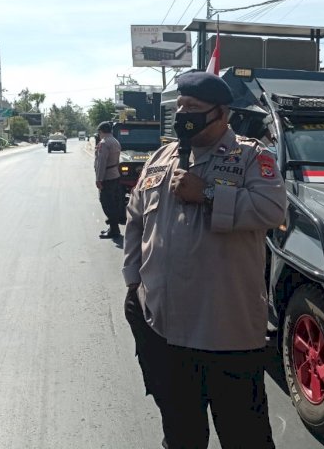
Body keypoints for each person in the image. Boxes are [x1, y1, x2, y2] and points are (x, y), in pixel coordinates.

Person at [123, 70, 287, 449]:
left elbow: (272, 211)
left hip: (225, 330)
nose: (183, 114)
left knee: (244, 434)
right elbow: (134, 219)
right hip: (163, 326)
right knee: (181, 432)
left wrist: (209, 193)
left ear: (222, 113)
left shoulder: (250, 157)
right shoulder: (161, 158)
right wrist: (133, 280)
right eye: (180, 106)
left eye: (193, 108)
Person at [94, 121, 122, 239]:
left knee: (106, 202)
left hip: (106, 177)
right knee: (113, 202)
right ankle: (113, 228)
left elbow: (101, 163)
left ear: (101, 132)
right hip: (115, 174)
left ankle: (114, 230)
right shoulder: (115, 141)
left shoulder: (104, 143)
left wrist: (99, 179)